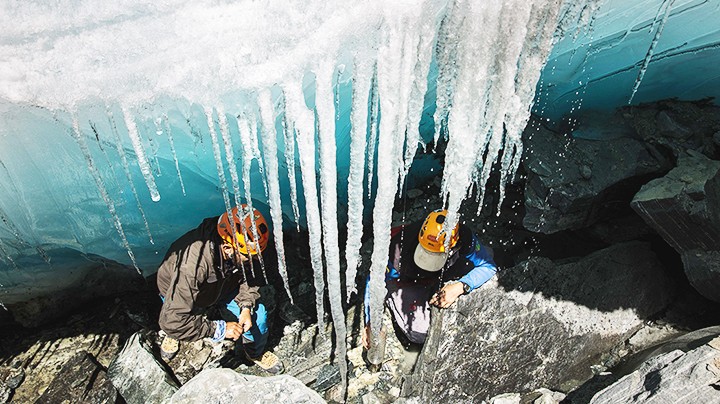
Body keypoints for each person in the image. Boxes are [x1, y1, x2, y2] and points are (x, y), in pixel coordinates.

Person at [156, 204, 283, 374]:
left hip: (224, 284)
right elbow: (173, 319)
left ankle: (254, 352)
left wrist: (246, 306)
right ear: (227, 247)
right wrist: (219, 329)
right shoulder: (193, 266)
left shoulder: (241, 244)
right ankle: (175, 334)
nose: (251, 260)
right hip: (179, 289)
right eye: (247, 257)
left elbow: (252, 276)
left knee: (257, 318)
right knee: (176, 317)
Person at [362, 209, 497, 348]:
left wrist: (461, 286)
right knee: (420, 332)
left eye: (434, 256)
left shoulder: (464, 238)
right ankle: (393, 298)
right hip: (408, 280)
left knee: (489, 255)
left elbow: (488, 267)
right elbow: (374, 281)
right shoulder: (397, 254)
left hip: (446, 269)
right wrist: (371, 319)